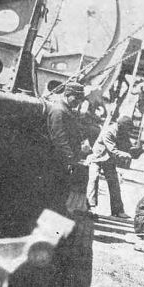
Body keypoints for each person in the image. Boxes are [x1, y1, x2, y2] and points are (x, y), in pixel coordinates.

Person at [46, 82, 88, 215]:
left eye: (80, 99)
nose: (78, 101)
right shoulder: (59, 110)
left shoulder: (66, 109)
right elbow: (59, 137)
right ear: (67, 94)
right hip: (59, 158)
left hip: (65, 158)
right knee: (57, 189)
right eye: (76, 98)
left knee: (62, 189)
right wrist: (69, 158)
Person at [85, 115, 137, 218]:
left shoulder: (122, 131)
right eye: (127, 129)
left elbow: (127, 146)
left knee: (114, 183)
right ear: (120, 126)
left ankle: (118, 211)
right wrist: (126, 155)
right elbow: (113, 150)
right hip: (97, 157)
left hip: (108, 159)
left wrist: (137, 150)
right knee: (93, 179)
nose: (128, 132)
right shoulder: (109, 131)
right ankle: (91, 208)